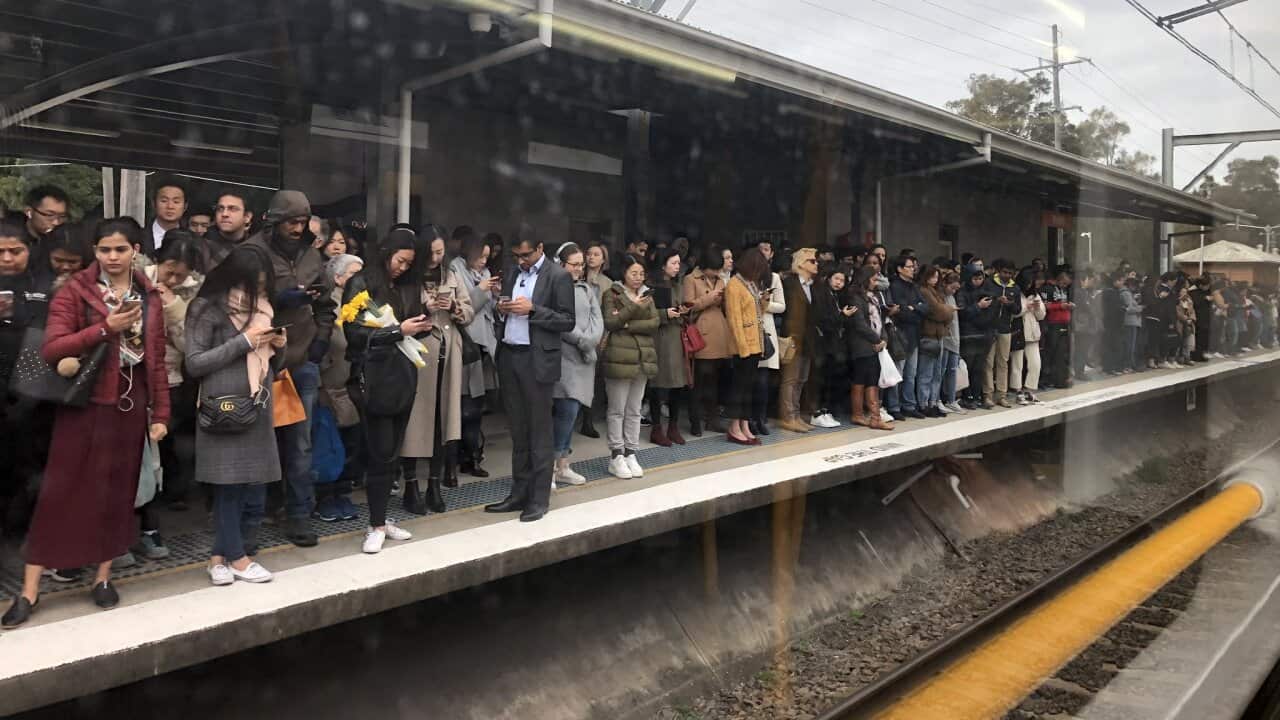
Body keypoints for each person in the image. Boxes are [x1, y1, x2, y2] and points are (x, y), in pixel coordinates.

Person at [3, 218, 171, 628]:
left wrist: (162, 412)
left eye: (120, 250)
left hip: (131, 408)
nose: (112, 258)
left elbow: (158, 360)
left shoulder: (149, 296)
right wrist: (104, 328)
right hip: (84, 407)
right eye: (104, 250)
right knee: (59, 496)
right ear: (94, 251)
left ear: (136, 250)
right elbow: (53, 347)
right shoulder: (75, 290)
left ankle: (102, 577)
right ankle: (29, 591)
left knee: (115, 496)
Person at [184, 246, 282, 585]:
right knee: (228, 485)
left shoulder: (263, 309)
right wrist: (244, 341)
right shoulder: (206, 308)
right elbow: (194, 363)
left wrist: (275, 345)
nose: (260, 292)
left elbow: (266, 363)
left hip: (255, 402)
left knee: (246, 485)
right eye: (254, 285)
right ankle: (238, 559)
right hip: (223, 408)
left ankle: (218, 558)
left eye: (264, 285)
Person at [245, 190, 336, 547]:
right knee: (258, 445)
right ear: (274, 220)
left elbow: (327, 305)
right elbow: (236, 303)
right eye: (291, 222)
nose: (297, 228)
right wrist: (280, 302)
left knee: (300, 447)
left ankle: (299, 515)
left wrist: (321, 342)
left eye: (302, 221)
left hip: (302, 361)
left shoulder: (314, 255)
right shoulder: (252, 253)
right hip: (261, 360)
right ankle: (251, 522)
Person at [341, 229, 424, 553]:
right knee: (379, 449)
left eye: (409, 264)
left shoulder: (405, 286)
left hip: (403, 374)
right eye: (400, 261)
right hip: (373, 377)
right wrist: (396, 331)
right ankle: (375, 524)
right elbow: (353, 332)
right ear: (386, 252)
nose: (403, 268)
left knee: (392, 451)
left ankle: (381, 518)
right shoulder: (361, 282)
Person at [485, 226, 575, 522]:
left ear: (539, 248)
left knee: (539, 430)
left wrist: (533, 309)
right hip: (510, 354)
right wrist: (502, 307)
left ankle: (539, 498)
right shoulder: (512, 273)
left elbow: (567, 321)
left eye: (526, 254)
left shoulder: (558, 276)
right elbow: (507, 310)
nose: (522, 260)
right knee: (518, 428)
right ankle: (518, 492)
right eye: (517, 256)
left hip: (537, 359)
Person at [399, 227, 474, 514]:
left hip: (447, 351)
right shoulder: (409, 276)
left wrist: (454, 305)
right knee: (414, 421)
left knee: (443, 421)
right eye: (431, 252)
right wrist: (422, 306)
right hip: (418, 352)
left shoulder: (451, 275)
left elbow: (468, 312)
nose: (436, 257)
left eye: (440, 252)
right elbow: (397, 310)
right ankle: (410, 487)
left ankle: (433, 486)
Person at [0, 221, 54, 542]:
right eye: (1, 252)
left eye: (15, 251)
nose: (7, 258)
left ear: (28, 250)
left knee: (31, 461)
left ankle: (26, 525)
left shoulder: (45, 283)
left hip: (33, 390)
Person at [143, 232, 203, 523]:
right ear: (157, 261)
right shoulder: (137, 280)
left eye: (181, 274)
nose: (173, 279)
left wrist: (174, 306)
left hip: (173, 374)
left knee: (170, 439)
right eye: (169, 270)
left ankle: (171, 493)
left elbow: (192, 345)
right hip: (137, 372)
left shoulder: (195, 291)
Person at [313, 254, 364, 523]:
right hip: (329, 386)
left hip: (353, 386)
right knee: (327, 445)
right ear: (338, 278)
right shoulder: (325, 307)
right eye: (354, 274)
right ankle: (324, 498)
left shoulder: (364, 304)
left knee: (350, 445)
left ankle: (342, 494)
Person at [601, 254, 659, 477]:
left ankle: (631, 452)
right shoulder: (611, 294)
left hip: (643, 357)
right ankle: (616, 455)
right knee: (617, 409)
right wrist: (633, 308)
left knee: (634, 410)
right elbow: (611, 322)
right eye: (633, 273)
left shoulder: (647, 295)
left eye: (641, 273)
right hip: (619, 357)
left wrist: (628, 323)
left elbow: (654, 323)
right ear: (623, 273)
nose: (638, 278)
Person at [551, 243, 602, 485]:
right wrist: (584, 341)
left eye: (581, 264)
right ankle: (551, 466)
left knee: (574, 412)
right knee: (565, 410)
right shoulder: (553, 288)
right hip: (565, 357)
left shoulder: (586, 288)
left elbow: (597, 318)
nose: (579, 269)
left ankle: (563, 464)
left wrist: (591, 342)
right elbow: (560, 323)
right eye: (574, 264)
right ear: (561, 264)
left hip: (585, 358)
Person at [450, 232, 501, 478]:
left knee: (476, 404)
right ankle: (463, 456)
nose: (484, 262)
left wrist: (497, 297)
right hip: (464, 343)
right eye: (480, 257)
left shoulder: (486, 274)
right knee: (462, 403)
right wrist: (481, 290)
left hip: (483, 344)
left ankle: (473, 455)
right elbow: (463, 308)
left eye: (487, 258)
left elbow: (487, 306)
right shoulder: (455, 269)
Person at [683, 244, 732, 436]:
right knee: (698, 380)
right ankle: (695, 420)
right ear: (704, 266)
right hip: (701, 333)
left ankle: (712, 419)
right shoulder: (690, 279)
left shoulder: (721, 280)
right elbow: (686, 306)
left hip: (719, 331)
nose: (716, 272)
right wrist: (708, 298)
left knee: (714, 381)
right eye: (713, 268)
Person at [723, 248, 770, 445]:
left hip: (755, 344)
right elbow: (734, 319)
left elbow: (758, 311)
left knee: (748, 388)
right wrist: (742, 348)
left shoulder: (750, 283)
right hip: (744, 347)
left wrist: (764, 300)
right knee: (739, 388)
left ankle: (744, 425)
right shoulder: (734, 285)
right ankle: (734, 427)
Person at [648, 247, 691, 446]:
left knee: (678, 385)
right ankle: (657, 428)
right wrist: (666, 314)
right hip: (659, 339)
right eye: (673, 263)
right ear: (663, 265)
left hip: (676, 338)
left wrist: (684, 310)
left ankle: (673, 427)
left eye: (678, 263)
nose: (677, 267)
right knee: (657, 385)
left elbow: (682, 306)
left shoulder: (678, 285)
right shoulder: (652, 285)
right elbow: (647, 314)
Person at [778, 248, 819, 433]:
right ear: (801, 264)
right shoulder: (789, 283)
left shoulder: (812, 285)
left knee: (801, 379)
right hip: (792, 338)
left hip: (808, 339)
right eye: (812, 261)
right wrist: (788, 336)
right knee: (790, 379)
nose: (816, 263)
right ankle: (788, 416)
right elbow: (786, 312)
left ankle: (796, 415)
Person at [846, 266, 892, 431]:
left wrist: (883, 339)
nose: (875, 282)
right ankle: (864, 415)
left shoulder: (873, 297)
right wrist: (877, 339)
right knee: (862, 379)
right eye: (873, 279)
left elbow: (881, 319)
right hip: (861, 344)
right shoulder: (854, 297)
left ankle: (873, 416)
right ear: (864, 279)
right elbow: (859, 323)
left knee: (872, 379)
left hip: (875, 343)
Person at [810, 264, 850, 428]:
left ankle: (825, 411)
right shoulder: (821, 293)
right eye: (836, 279)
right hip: (822, 342)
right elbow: (823, 319)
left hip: (832, 343)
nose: (839, 283)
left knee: (829, 378)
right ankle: (817, 412)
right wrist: (841, 315)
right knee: (819, 378)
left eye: (842, 280)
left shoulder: (835, 295)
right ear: (828, 278)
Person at [886, 255, 925, 420]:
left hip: (914, 333)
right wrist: (914, 309)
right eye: (909, 266)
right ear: (900, 269)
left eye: (913, 266)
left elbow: (926, 307)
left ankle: (909, 405)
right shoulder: (895, 286)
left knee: (911, 373)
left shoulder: (914, 286)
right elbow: (901, 312)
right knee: (898, 372)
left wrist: (913, 308)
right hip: (900, 334)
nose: (913, 269)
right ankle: (894, 406)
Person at [917, 264, 955, 417]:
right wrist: (948, 310)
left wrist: (946, 311)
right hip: (928, 334)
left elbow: (943, 312)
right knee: (926, 373)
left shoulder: (936, 292)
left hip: (939, 334)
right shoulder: (923, 291)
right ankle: (924, 403)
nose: (935, 279)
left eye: (937, 277)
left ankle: (933, 402)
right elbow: (937, 311)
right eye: (932, 276)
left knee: (937, 373)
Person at [755, 247, 786, 435]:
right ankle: (749, 418)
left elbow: (782, 306)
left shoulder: (774, 278)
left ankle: (761, 417)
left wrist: (767, 305)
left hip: (766, 330)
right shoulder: (743, 280)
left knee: (763, 380)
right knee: (750, 380)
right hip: (749, 330)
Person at [957, 264, 996, 408]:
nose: (978, 281)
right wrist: (978, 307)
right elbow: (962, 312)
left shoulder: (987, 291)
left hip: (984, 335)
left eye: (980, 278)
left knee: (979, 369)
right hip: (968, 336)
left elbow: (992, 312)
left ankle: (978, 396)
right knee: (968, 367)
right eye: (975, 278)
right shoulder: (962, 293)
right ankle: (967, 397)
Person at [984, 259, 1018, 409]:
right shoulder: (989, 283)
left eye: (1010, 273)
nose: (1007, 275)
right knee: (988, 362)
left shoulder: (1015, 288)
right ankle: (987, 395)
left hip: (1005, 328)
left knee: (1003, 362)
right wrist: (997, 301)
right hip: (990, 327)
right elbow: (983, 301)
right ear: (999, 271)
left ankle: (1001, 395)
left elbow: (1017, 309)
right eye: (1005, 272)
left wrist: (1009, 304)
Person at [1010, 268, 1047, 405]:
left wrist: (1037, 308)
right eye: (1028, 282)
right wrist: (1026, 307)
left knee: (1035, 363)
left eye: (1032, 282)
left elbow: (1042, 316)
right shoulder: (1015, 292)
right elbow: (1013, 313)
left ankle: (1030, 390)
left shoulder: (1035, 294)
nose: (1030, 285)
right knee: (1017, 364)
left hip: (1032, 333)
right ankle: (1018, 391)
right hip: (1018, 332)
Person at [202, 190, 254, 271]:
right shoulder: (202, 246)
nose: (224, 214)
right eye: (220, 209)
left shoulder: (255, 247)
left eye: (233, 209)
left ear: (247, 216)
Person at [1040, 267, 1074, 389]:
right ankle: (1045, 379)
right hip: (1052, 324)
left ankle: (1059, 379)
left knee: (1062, 353)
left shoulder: (1063, 290)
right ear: (1059, 279)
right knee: (1050, 352)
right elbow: (1044, 305)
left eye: (1067, 284)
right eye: (1064, 282)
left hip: (1064, 323)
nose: (1065, 285)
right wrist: (1060, 306)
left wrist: (1068, 306)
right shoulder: (1047, 288)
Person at [22, 185, 70, 269]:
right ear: (28, 211)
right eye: (49, 215)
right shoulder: (12, 240)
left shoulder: (64, 239)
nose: (56, 222)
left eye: (62, 216)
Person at [938, 271, 965, 414]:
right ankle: (937, 399)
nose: (953, 291)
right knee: (940, 371)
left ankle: (951, 399)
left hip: (955, 337)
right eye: (952, 288)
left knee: (952, 370)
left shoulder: (952, 298)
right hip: (944, 337)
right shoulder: (941, 297)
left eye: (956, 289)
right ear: (944, 284)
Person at [147, 180, 188, 255]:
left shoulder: (192, 240)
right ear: (154, 204)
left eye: (176, 202)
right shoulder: (139, 236)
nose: (170, 206)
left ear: (185, 206)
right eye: (164, 201)